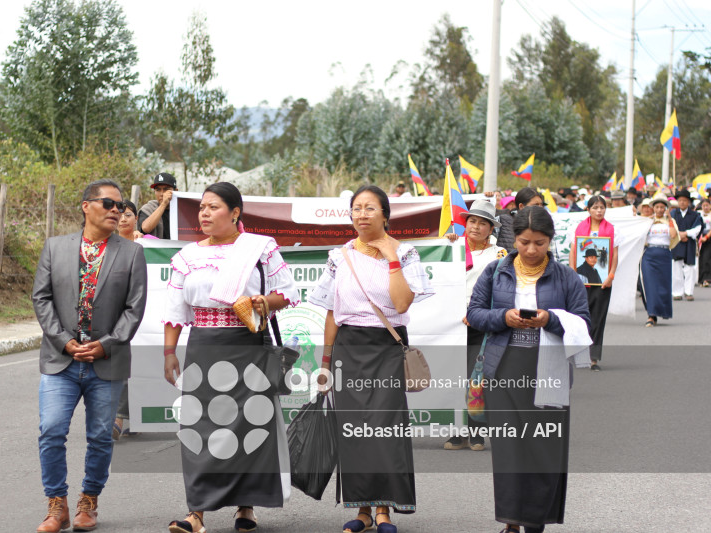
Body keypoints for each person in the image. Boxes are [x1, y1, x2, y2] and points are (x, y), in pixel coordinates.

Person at [162, 182, 300, 533]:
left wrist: (265, 302)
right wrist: (168, 351)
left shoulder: (260, 248)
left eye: (213, 207)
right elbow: (176, 308)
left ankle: (246, 507)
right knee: (200, 426)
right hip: (203, 348)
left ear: (235, 212)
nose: (204, 213)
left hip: (249, 345)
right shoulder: (188, 257)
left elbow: (289, 292)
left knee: (250, 424)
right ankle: (196, 512)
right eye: (202, 208)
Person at [309, 184, 433, 533]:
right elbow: (333, 312)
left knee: (384, 428)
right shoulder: (339, 256)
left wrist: (390, 256)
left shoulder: (405, 253)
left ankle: (384, 510)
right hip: (348, 350)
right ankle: (362, 510)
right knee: (354, 431)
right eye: (356, 208)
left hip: (386, 348)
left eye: (369, 208)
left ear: (385, 214)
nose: (361, 215)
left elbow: (402, 303)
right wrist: (325, 361)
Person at [31, 179, 148, 533]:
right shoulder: (55, 247)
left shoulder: (131, 252)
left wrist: (108, 343)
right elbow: (42, 298)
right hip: (60, 360)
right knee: (51, 431)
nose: (117, 210)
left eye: (121, 206)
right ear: (86, 206)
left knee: (99, 436)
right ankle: (57, 505)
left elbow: (135, 307)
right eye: (109, 204)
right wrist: (63, 340)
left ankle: (88, 502)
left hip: (106, 361)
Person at [467, 206, 591, 533]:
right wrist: (502, 317)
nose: (532, 250)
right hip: (505, 371)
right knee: (509, 452)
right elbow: (475, 313)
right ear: (514, 239)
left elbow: (584, 321)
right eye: (524, 242)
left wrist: (550, 319)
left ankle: (536, 521)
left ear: (550, 240)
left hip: (548, 372)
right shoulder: (496, 271)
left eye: (539, 242)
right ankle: (511, 522)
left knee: (543, 449)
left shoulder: (566, 276)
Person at [443, 200, 507, 452]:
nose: (476, 227)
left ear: (491, 229)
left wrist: (481, 314)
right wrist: (442, 245)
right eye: (472, 221)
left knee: (475, 378)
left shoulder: (499, 254)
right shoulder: (450, 247)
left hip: (479, 324)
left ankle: (476, 432)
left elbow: (500, 291)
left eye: (483, 223)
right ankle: (456, 431)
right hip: (449, 324)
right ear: (465, 223)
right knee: (451, 377)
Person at [569, 196, 619, 371]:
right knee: (581, 318)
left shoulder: (612, 229)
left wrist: (610, 276)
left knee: (598, 319)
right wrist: (573, 274)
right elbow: (573, 251)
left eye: (602, 207)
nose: (599, 211)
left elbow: (614, 255)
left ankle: (594, 358)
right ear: (588, 209)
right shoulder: (579, 228)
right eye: (595, 207)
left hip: (602, 282)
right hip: (581, 283)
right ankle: (579, 353)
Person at [113, 199, 141, 438]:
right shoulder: (107, 247)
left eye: (128, 214)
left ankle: (139, 415)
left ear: (136, 219)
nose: (123, 218)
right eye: (120, 214)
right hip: (117, 315)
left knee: (143, 366)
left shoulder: (148, 245)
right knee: (118, 362)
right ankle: (118, 417)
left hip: (146, 315)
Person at [640, 194, 679, 327]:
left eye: (662, 207)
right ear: (653, 208)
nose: (660, 209)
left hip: (664, 255)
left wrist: (669, 219)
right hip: (649, 255)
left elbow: (673, 235)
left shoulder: (670, 221)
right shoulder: (647, 222)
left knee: (663, 286)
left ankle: (662, 311)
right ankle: (651, 314)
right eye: (657, 207)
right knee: (650, 285)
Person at [671, 189, 704, 301]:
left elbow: (697, 228)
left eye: (685, 200)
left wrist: (686, 234)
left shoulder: (695, 215)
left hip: (689, 243)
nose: (682, 203)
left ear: (689, 202)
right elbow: (671, 227)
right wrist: (679, 236)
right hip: (676, 243)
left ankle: (689, 292)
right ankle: (677, 292)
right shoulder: (673, 213)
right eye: (680, 200)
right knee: (676, 268)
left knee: (690, 268)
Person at [496, 187, 544, 252]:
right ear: (521, 206)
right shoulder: (503, 221)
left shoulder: (544, 224)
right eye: (536, 205)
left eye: (541, 205)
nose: (540, 208)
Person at [139, 172, 178, 239]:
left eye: (166, 189)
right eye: (158, 190)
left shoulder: (181, 209)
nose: (162, 194)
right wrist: (163, 204)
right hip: (157, 249)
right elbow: (145, 228)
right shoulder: (148, 208)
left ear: (176, 191)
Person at [696, 198, 711, 287]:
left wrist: (706, 237)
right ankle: (700, 278)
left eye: (707, 205)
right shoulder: (699, 215)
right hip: (699, 238)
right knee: (700, 259)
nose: (705, 207)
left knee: (707, 259)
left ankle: (706, 278)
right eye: (704, 206)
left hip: (708, 238)